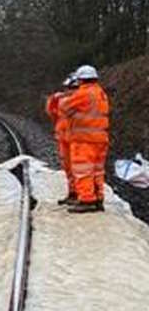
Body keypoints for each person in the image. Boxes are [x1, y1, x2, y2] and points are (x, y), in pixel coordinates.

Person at [59, 65, 109, 213]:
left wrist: (62, 98)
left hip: (84, 139)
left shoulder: (83, 94)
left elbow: (64, 108)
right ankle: (98, 198)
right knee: (97, 171)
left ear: (81, 80)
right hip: (100, 138)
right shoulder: (100, 93)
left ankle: (87, 200)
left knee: (83, 170)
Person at [45, 75, 78, 205]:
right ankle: (73, 192)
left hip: (77, 139)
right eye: (68, 88)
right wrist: (53, 100)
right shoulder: (62, 100)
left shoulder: (77, 101)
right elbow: (51, 112)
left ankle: (82, 194)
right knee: (69, 168)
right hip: (64, 138)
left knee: (78, 169)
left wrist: (56, 99)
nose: (69, 91)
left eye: (72, 88)